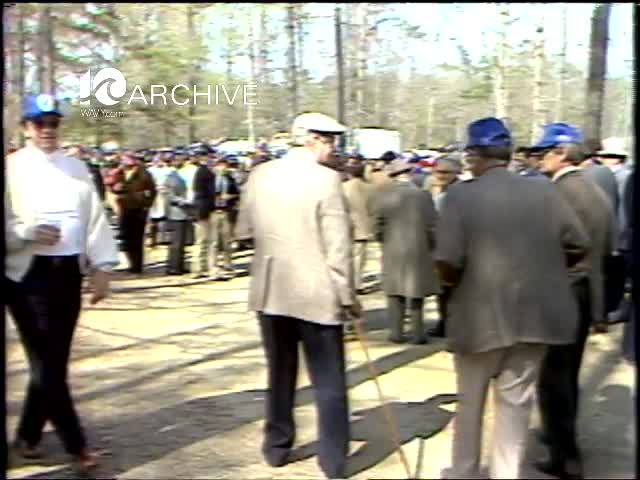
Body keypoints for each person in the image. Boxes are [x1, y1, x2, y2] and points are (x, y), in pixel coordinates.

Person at [436, 117, 590, 479]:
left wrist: (457, 287)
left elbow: (447, 260)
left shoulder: (460, 195)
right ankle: (506, 473)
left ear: (473, 155)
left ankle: (464, 472)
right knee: (516, 406)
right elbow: (579, 243)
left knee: (470, 405)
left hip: (478, 318)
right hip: (535, 317)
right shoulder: (545, 191)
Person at [235, 112, 360, 479]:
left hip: (272, 286)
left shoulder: (260, 174)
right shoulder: (326, 180)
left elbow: (244, 228)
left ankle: (276, 447)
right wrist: (347, 295)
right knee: (329, 380)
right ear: (312, 140)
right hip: (317, 291)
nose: (332, 147)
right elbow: (338, 246)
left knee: (280, 372)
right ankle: (333, 459)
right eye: (328, 140)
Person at [5, 94, 119, 473]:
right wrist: (25, 232)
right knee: (48, 366)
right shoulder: (12, 168)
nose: (48, 130)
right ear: (26, 128)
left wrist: (102, 266)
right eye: (40, 123)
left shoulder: (78, 168)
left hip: (68, 272)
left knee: (53, 362)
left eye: (53, 122)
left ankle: (28, 438)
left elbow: (95, 219)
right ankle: (77, 446)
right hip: (27, 275)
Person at [533, 122, 615, 479]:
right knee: (567, 374)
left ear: (561, 153)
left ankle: (565, 456)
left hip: (562, 291)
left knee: (554, 378)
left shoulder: (559, 193)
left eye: (543, 152)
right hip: (585, 293)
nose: (537, 159)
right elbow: (606, 249)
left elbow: (547, 247)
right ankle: (559, 437)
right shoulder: (594, 188)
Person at [371, 158, 440, 344]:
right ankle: (418, 333)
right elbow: (432, 225)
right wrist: (432, 246)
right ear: (409, 174)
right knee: (416, 292)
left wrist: (382, 240)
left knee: (394, 292)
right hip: (419, 248)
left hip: (392, 248)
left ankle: (396, 332)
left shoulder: (383, 196)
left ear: (393, 176)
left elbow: (377, 224)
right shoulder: (423, 196)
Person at [425, 154, 463, 339]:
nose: (440, 175)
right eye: (437, 172)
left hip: (453, 247)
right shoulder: (439, 191)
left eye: (445, 172)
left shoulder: (459, 193)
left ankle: (451, 325)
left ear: (456, 173)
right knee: (443, 291)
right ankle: (445, 322)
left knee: (451, 290)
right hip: (440, 246)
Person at [108, 153, 156, 274]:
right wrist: (115, 189)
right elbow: (111, 186)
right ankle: (130, 263)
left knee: (137, 238)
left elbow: (152, 191)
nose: (126, 162)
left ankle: (137, 266)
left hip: (139, 209)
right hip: (124, 208)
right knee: (126, 238)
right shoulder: (119, 173)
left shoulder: (144, 174)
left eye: (129, 159)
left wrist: (146, 204)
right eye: (124, 160)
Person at [342, 159, 373, 294]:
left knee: (348, 257)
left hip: (348, 226)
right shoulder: (369, 187)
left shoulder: (344, 187)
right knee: (360, 258)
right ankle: (357, 284)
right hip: (365, 227)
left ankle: (351, 283)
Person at [211, 156, 240, 278]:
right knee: (214, 241)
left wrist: (231, 197)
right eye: (220, 165)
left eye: (225, 166)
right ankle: (214, 266)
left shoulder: (230, 179)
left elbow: (237, 193)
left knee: (227, 240)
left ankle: (228, 263)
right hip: (214, 211)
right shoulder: (211, 179)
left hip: (227, 210)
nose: (222, 168)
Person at [164, 155, 192, 275]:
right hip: (176, 213)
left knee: (182, 242)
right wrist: (182, 201)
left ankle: (179, 264)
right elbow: (169, 195)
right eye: (178, 160)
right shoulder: (171, 177)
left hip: (185, 212)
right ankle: (173, 267)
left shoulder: (184, 176)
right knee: (176, 242)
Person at [192, 150, 217, 278]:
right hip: (204, 211)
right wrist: (202, 212)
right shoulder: (203, 172)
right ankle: (199, 268)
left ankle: (207, 268)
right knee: (203, 240)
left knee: (209, 241)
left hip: (208, 209)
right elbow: (201, 195)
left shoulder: (207, 172)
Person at [147, 152, 174, 248]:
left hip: (165, 195)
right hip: (154, 196)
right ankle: (153, 240)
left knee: (164, 218)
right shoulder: (150, 170)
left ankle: (164, 238)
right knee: (153, 219)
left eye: (160, 160)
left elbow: (171, 182)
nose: (159, 162)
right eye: (157, 160)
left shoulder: (169, 170)